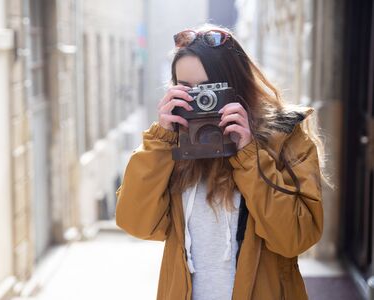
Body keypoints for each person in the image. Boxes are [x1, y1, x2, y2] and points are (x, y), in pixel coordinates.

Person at [115, 24, 329, 300]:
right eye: (186, 89)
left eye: (210, 88)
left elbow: (296, 238)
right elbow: (137, 223)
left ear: (237, 84)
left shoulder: (285, 138)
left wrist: (249, 154)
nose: (201, 100)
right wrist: (161, 140)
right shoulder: (172, 146)